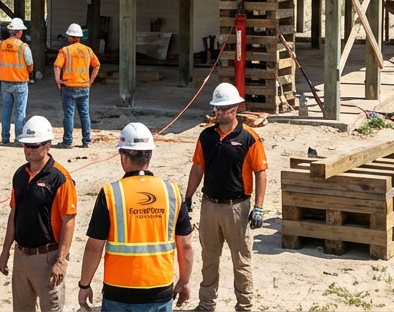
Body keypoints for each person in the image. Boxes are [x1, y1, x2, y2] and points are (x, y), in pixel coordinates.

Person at [77, 123, 194, 312]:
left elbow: (94, 247)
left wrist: (85, 285)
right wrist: (184, 281)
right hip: (160, 290)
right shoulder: (171, 192)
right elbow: (186, 245)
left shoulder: (111, 193)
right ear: (150, 155)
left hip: (119, 292)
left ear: (123, 157)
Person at [184, 83, 269, 312]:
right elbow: (197, 168)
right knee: (209, 258)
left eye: (222, 109)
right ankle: (206, 304)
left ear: (234, 109)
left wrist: (259, 207)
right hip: (209, 205)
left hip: (237, 208)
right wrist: (188, 197)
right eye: (216, 109)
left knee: (241, 261)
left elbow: (260, 173)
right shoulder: (206, 137)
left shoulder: (249, 138)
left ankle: (244, 306)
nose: (217, 113)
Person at [0, 116, 77, 312]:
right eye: (26, 145)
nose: (29, 150)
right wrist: (5, 250)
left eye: (34, 145)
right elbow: (14, 212)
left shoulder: (59, 178)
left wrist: (61, 261)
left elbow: (69, 219)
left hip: (47, 258)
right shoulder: (20, 175)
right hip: (21, 255)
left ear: (48, 145)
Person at [53, 23, 100, 148]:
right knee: (84, 114)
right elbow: (96, 66)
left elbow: (57, 66)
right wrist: (90, 81)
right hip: (84, 87)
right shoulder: (88, 50)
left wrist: (58, 80)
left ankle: (68, 141)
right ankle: (86, 141)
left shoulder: (65, 51)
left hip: (68, 86)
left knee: (69, 115)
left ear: (69, 37)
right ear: (79, 37)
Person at [0, 18, 35, 144]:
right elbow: (30, 65)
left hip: (5, 81)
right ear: (19, 32)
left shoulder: (0, 45)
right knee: (20, 111)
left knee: (6, 109)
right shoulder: (23, 47)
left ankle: (4, 137)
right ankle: (19, 137)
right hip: (20, 82)